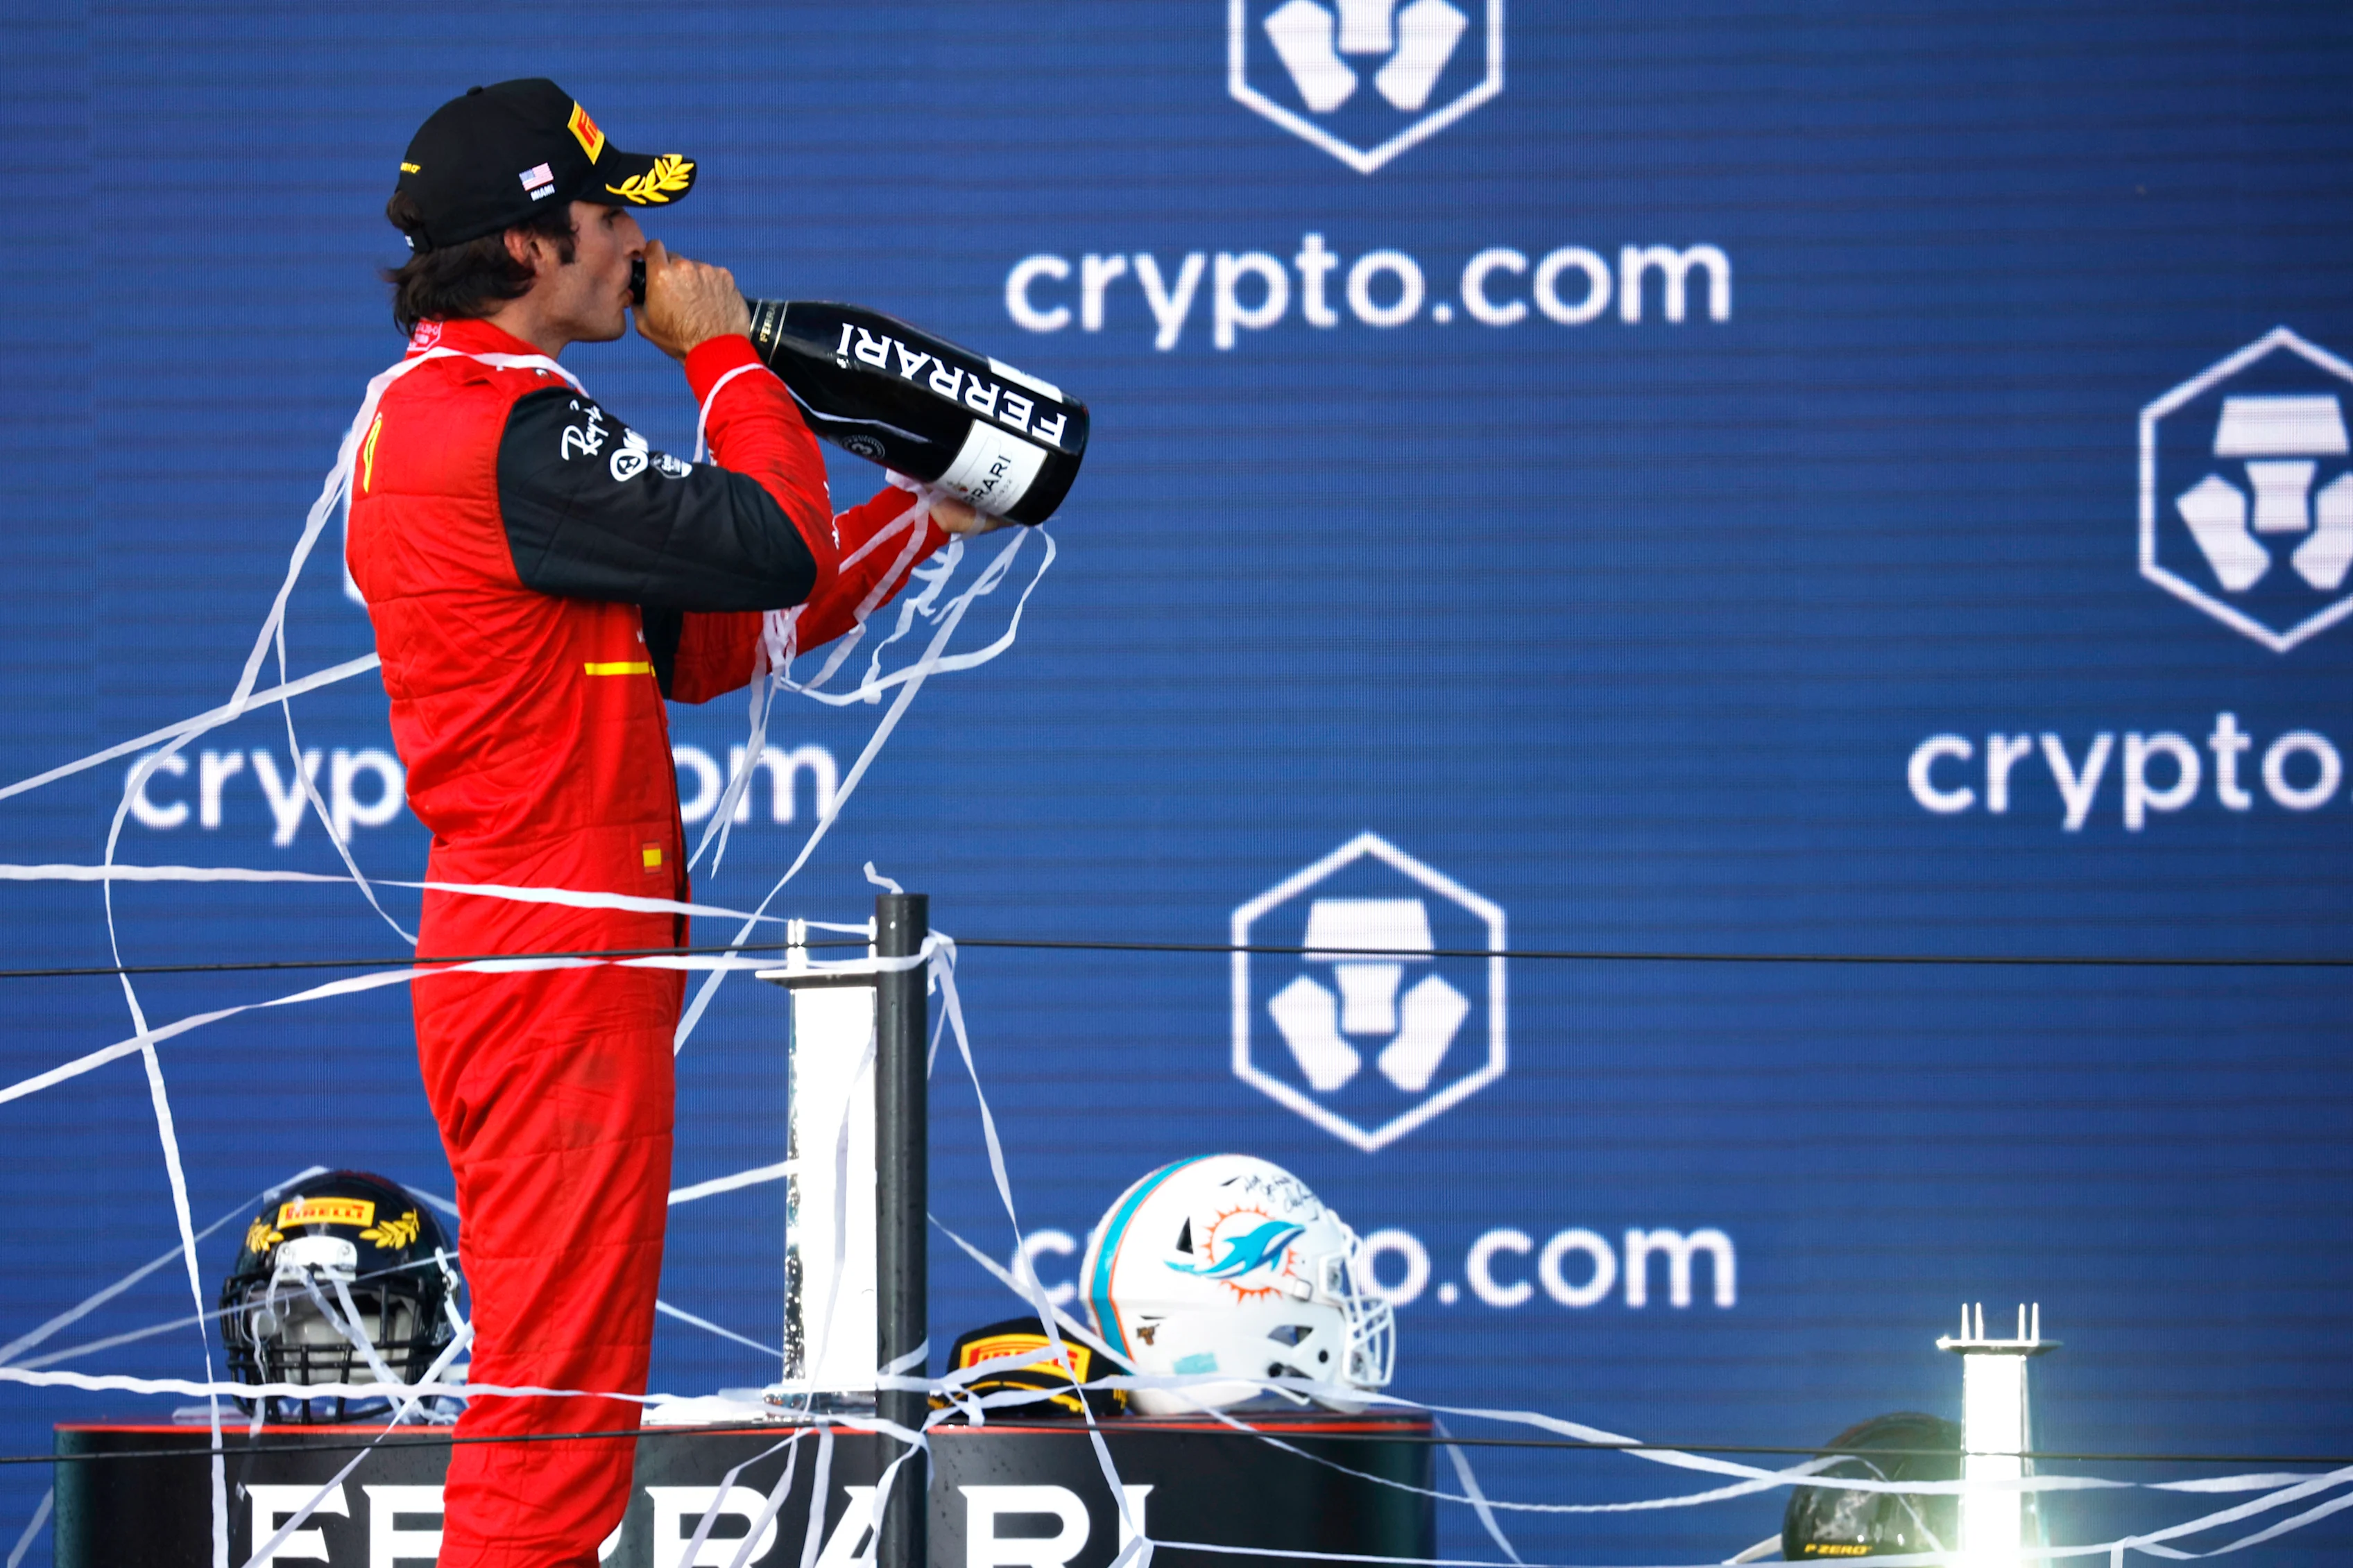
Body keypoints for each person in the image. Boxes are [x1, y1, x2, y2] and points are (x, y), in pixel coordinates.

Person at [345, 78, 991, 1566]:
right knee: (555, 1407)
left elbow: (697, 644)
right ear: (524, 248)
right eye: (609, 211)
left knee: (561, 1390)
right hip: (550, 956)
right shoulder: (491, 429)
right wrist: (725, 355)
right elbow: (762, 543)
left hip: (548, 947)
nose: (637, 238)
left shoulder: (473, 417)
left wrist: (919, 522)